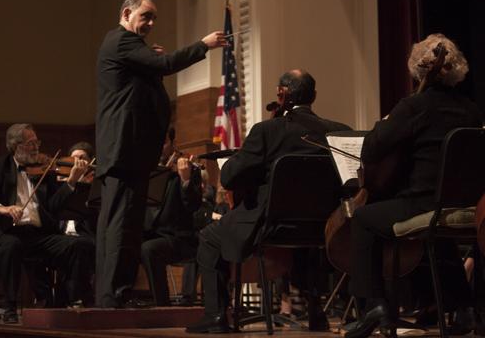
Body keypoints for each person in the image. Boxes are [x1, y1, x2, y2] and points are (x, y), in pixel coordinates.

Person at [186, 69, 352, 333]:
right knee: (303, 246)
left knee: (208, 237)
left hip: (271, 226)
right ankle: (316, 313)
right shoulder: (339, 132)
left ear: (282, 94)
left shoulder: (267, 131)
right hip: (321, 227)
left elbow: (229, 177)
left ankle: (216, 316)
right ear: (314, 96)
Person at [345, 34, 483, 338]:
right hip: (464, 204)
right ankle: (464, 307)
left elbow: (371, 150)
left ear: (419, 69)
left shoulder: (414, 106)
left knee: (364, 219)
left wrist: (386, 121)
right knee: (439, 234)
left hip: (423, 202)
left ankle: (374, 305)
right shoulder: (470, 110)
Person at [95, 0, 227, 308]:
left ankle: (117, 293)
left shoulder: (130, 48)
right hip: (125, 150)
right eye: (146, 16)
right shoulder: (122, 41)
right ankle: (112, 296)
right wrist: (203, 45)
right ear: (126, 13)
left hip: (131, 151)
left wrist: (150, 63)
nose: (151, 23)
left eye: (154, 18)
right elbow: (166, 64)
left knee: (125, 226)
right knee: (121, 226)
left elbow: (149, 75)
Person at [0, 123, 93, 323]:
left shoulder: (44, 169)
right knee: (12, 246)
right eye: (30, 143)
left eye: (37, 142)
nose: (36, 147)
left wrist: (71, 181)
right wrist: (3, 208)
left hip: (39, 234)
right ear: (15, 146)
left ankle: (66, 300)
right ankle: (9, 307)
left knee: (80, 244)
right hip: (8, 232)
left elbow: (54, 206)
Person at [140, 131, 202, 306]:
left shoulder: (189, 169)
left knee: (148, 249)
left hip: (179, 238)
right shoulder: (148, 172)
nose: (159, 146)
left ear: (173, 144)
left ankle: (162, 305)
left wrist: (185, 180)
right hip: (152, 234)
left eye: (163, 142)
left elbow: (193, 205)